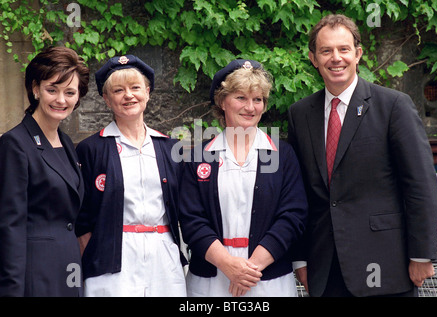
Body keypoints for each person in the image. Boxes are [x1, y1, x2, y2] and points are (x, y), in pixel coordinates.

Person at [288, 14, 437, 297]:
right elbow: (299, 193)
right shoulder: (300, 114)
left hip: (387, 266)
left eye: (344, 49)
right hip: (326, 270)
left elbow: (420, 184)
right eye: (326, 51)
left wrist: (422, 255)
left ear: (357, 54)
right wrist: (300, 257)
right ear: (313, 58)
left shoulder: (393, 106)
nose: (336, 58)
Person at [179, 59, 308, 297]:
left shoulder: (283, 155)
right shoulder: (198, 156)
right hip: (210, 282)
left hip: (268, 281)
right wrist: (228, 265)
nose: (250, 107)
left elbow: (293, 216)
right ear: (222, 102)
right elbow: (191, 220)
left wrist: (250, 269)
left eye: (257, 99)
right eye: (241, 97)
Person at [75, 55, 187, 296]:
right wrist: (93, 254)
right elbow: (81, 217)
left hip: (163, 256)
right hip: (112, 258)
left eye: (135, 87)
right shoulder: (91, 149)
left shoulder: (169, 148)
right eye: (118, 90)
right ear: (106, 99)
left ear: (147, 92)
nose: (129, 95)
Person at [0, 46, 89, 296]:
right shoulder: (15, 143)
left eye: (70, 92)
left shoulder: (68, 144)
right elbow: (10, 227)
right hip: (34, 276)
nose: (61, 100)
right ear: (36, 89)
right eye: (52, 90)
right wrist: (11, 291)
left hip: (69, 272)